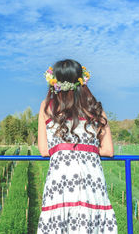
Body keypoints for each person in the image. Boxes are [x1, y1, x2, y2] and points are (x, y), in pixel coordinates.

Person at [37, 59, 118, 233]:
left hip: (61, 181)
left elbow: (44, 150)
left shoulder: (47, 108)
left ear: (54, 81)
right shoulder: (95, 109)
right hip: (91, 180)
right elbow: (108, 150)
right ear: (82, 80)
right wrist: (86, 149)